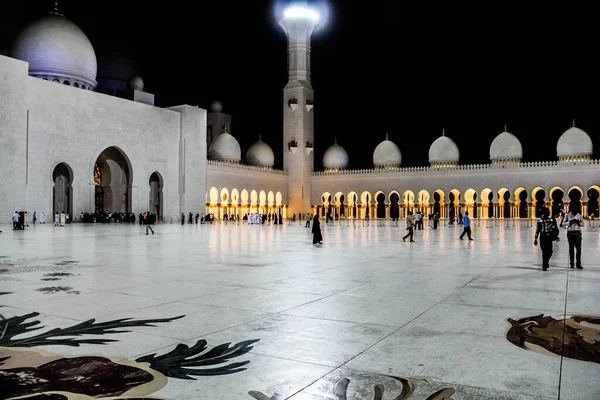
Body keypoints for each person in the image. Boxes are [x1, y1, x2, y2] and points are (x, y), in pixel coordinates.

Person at [534, 207, 559, 271]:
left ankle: (546, 261)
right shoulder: (540, 221)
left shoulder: (551, 220)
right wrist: (535, 239)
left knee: (550, 251)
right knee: (544, 251)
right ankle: (544, 265)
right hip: (543, 236)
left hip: (549, 236)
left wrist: (556, 236)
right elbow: (537, 230)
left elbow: (553, 229)